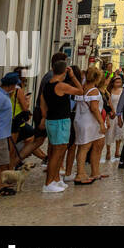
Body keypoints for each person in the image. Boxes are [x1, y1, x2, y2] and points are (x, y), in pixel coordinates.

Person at [42, 59, 84, 192]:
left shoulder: (47, 85)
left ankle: (55, 179)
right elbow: (80, 91)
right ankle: (48, 183)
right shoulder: (60, 85)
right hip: (60, 121)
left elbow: (43, 105)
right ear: (64, 71)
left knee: (58, 150)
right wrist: (72, 76)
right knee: (58, 151)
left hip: (51, 120)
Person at [72, 67, 108, 185]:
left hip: (84, 121)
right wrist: (102, 123)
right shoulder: (94, 90)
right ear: (97, 78)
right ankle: (80, 174)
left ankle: (95, 172)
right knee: (84, 148)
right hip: (89, 122)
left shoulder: (82, 87)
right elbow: (94, 108)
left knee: (96, 145)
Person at [103, 76, 124, 163]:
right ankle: (108, 151)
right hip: (112, 114)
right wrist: (109, 113)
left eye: (120, 82)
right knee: (109, 132)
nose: (118, 84)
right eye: (116, 82)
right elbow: (107, 103)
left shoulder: (123, 91)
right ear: (113, 83)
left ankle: (117, 151)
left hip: (120, 114)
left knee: (119, 132)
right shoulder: (109, 91)